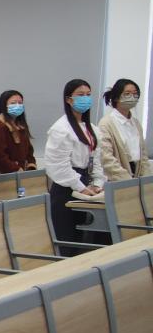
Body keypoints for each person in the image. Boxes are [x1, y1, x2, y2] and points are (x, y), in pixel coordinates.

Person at [46, 79, 105, 248]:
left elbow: (96, 159)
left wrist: (97, 183)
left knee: (81, 238)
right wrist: (80, 187)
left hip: (85, 183)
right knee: (66, 238)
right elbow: (58, 165)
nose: (85, 98)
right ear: (68, 99)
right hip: (66, 188)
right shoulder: (61, 128)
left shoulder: (90, 128)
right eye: (80, 95)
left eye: (88, 95)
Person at [99, 78, 150, 181]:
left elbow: (143, 155)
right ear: (116, 97)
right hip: (117, 178)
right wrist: (127, 180)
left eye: (135, 94)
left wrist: (146, 178)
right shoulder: (106, 123)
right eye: (127, 94)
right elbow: (106, 158)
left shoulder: (136, 123)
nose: (132, 97)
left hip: (137, 175)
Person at [0, 90, 36, 175]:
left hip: (19, 175)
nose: (17, 106)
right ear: (4, 106)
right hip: (3, 176)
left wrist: (31, 166)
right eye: (13, 103)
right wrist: (16, 169)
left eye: (20, 103)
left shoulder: (21, 127)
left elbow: (29, 150)